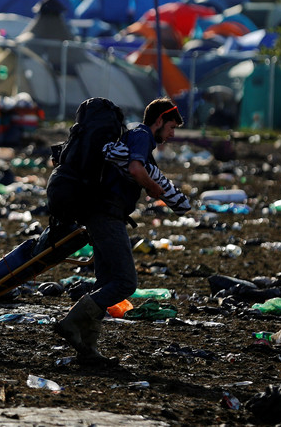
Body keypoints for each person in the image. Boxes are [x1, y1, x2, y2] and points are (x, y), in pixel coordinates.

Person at [53, 97, 184, 365]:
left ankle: (87, 348)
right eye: (171, 127)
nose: (172, 134)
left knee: (105, 282)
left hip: (99, 211)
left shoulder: (134, 136)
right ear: (159, 120)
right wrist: (153, 188)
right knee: (125, 282)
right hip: (106, 214)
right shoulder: (142, 136)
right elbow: (136, 168)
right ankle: (71, 322)